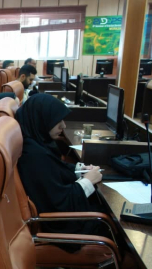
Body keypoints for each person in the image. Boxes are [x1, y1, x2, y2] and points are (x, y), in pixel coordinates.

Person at [15, 94, 106, 236]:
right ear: (42, 119)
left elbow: (54, 170)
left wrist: (80, 170)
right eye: (57, 120)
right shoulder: (35, 156)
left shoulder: (36, 144)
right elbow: (59, 203)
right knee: (108, 220)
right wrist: (88, 181)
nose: (63, 125)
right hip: (59, 225)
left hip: (59, 218)